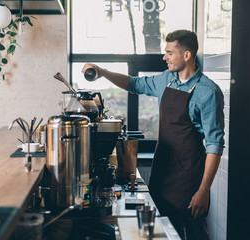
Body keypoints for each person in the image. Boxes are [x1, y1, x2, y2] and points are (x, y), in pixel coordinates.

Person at [82, 29, 225, 240]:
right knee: (166, 233)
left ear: (186, 55)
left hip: (190, 180)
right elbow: (133, 84)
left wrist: (203, 190)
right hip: (163, 173)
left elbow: (214, 145)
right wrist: (102, 71)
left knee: (195, 234)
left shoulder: (208, 92)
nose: (164, 57)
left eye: (169, 52)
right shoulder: (166, 80)